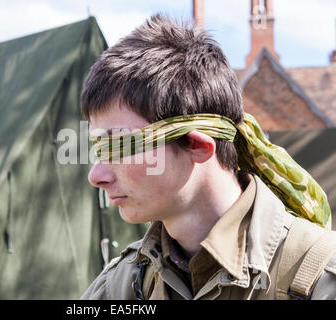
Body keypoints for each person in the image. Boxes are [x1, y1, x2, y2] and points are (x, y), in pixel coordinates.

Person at [80, 14, 336, 300]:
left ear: (197, 145)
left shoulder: (319, 280)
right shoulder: (119, 286)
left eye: (121, 146)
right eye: (99, 149)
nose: (96, 175)